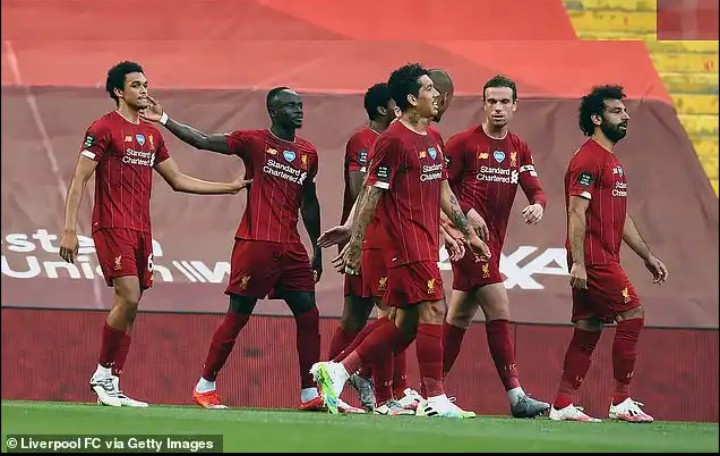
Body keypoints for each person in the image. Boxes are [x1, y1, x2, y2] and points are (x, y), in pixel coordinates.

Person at [59, 61, 251, 407]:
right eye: (136, 85)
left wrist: (228, 187)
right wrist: (69, 229)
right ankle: (101, 373)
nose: (144, 90)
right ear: (119, 91)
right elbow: (79, 179)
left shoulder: (152, 135)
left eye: (145, 84)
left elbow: (177, 179)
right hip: (112, 224)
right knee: (129, 297)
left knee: (130, 308)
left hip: (141, 229)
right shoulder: (103, 128)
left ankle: (112, 382)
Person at [311, 63, 490, 418]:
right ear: (410, 99)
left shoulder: (434, 137)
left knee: (403, 324)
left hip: (425, 241)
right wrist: (355, 245)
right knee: (434, 309)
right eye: (429, 89)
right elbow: (370, 195)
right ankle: (435, 398)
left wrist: (468, 234)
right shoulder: (392, 141)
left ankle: (338, 371)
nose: (436, 95)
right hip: (404, 246)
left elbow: (444, 192)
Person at [140, 87, 327, 411]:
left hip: (291, 247)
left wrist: (317, 247)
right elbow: (203, 140)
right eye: (290, 106)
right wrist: (165, 119)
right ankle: (205, 385)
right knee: (238, 315)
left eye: (300, 105)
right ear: (273, 111)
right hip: (256, 244)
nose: (298, 110)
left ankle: (309, 393)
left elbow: (309, 203)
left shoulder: (308, 153)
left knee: (309, 314)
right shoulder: (253, 141)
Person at [549, 85, 668, 422]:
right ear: (597, 119)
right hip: (594, 258)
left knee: (588, 327)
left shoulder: (611, 161)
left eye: (624, 110)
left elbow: (621, 217)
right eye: (617, 111)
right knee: (633, 315)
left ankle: (562, 404)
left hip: (601, 257)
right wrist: (579, 263)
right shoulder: (587, 159)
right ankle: (621, 400)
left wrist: (647, 256)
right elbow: (576, 211)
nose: (625, 116)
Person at [441, 75, 551, 418]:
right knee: (499, 305)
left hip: (494, 243)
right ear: (483, 104)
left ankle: (430, 390)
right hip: (468, 242)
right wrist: (464, 213)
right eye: (492, 101)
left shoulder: (519, 147)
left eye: (505, 102)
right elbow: (437, 187)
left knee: (459, 316)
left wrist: (538, 205)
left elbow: (535, 188)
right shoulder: (463, 143)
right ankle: (516, 396)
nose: (498, 108)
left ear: (515, 106)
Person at [324, 83, 398, 411]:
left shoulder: (398, 140)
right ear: (382, 109)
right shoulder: (363, 140)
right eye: (396, 104)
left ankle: (346, 376)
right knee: (375, 316)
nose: (401, 108)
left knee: (372, 316)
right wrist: (356, 237)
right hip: (366, 240)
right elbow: (360, 190)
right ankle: (385, 393)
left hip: (387, 239)